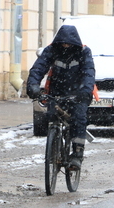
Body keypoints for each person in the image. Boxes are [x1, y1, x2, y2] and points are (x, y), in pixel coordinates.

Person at [26, 24, 95, 169]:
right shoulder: (51, 50)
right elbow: (39, 68)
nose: (65, 46)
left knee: (78, 118)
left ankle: (77, 154)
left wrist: (84, 91)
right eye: (63, 42)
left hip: (78, 93)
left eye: (69, 43)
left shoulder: (83, 52)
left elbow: (89, 73)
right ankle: (54, 143)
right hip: (57, 92)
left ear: (74, 42)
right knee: (51, 115)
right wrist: (33, 85)